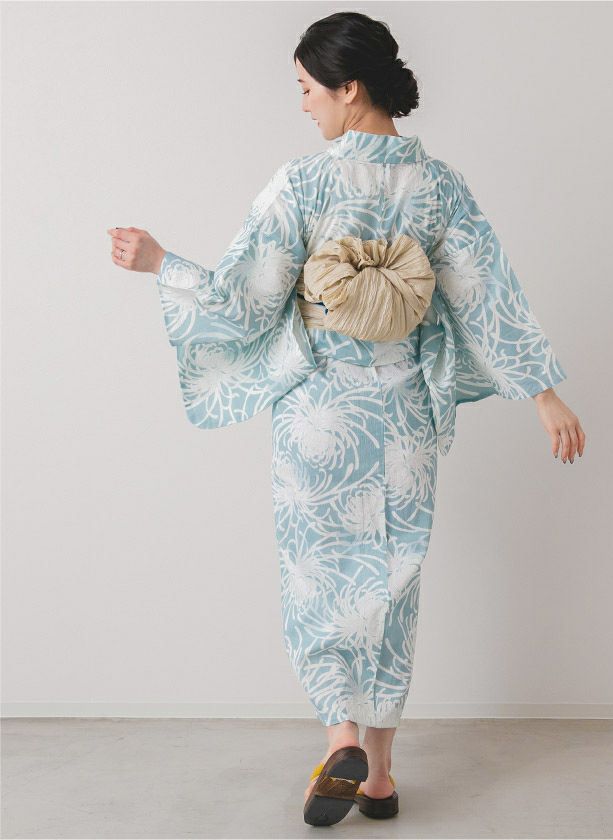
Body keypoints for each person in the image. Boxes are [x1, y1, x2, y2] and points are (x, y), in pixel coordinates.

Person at [107, 10, 585, 826]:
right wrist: (543, 393)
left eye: (306, 89)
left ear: (349, 87)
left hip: (318, 411)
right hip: (403, 414)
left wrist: (163, 264)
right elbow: (486, 294)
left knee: (316, 577)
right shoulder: (439, 186)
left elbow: (244, 300)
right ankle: (381, 778)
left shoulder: (304, 182)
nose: (302, 105)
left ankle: (339, 739)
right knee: (393, 581)